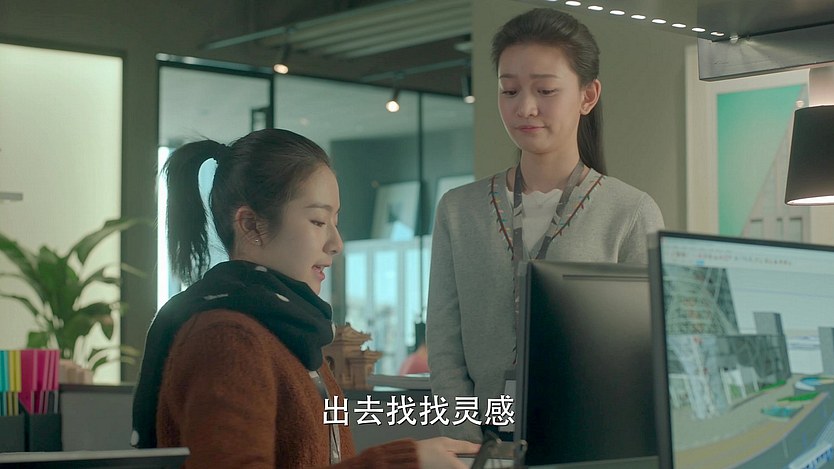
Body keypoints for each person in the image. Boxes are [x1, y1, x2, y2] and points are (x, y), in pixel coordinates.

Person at [131, 129, 478, 468]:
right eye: (318, 221)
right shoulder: (228, 337)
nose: (336, 243)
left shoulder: (289, 329)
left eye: (335, 221)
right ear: (250, 225)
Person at [426, 8, 665, 443]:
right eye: (509, 90)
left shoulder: (630, 212)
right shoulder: (458, 210)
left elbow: (644, 354)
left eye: (545, 90)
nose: (525, 107)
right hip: (481, 445)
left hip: (587, 443)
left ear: (588, 96)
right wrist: (467, 439)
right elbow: (444, 343)